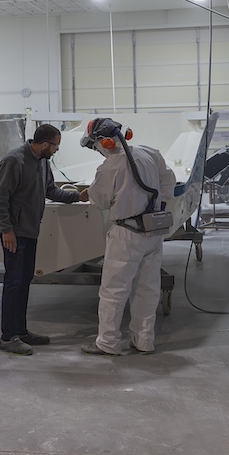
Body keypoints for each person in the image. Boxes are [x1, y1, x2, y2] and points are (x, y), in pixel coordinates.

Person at [79, 117, 176, 356]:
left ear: (104, 142)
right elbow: (169, 180)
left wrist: (91, 193)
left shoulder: (110, 166)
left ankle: (108, 342)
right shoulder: (149, 153)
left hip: (127, 234)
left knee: (114, 290)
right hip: (153, 230)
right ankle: (144, 340)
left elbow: (101, 201)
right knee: (147, 288)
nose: (98, 151)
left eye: (96, 146)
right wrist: (160, 204)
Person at [0, 123, 88, 355]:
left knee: (24, 280)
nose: (56, 150)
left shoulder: (42, 162)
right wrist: (6, 230)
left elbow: (50, 190)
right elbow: (0, 199)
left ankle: (20, 331)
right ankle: (7, 337)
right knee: (13, 282)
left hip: (30, 230)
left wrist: (77, 197)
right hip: (14, 233)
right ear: (45, 144)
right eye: (55, 146)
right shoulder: (14, 161)